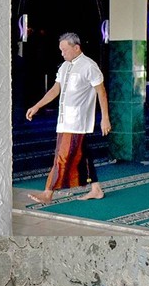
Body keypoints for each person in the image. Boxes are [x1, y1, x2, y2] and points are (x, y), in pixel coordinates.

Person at [26, 32, 111, 203]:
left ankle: (48, 192)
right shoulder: (64, 67)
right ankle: (96, 189)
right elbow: (55, 90)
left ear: (76, 47)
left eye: (65, 50)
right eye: (61, 50)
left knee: (62, 156)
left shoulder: (89, 66)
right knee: (84, 154)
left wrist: (105, 118)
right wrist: (37, 106)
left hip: (77, 122)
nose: (62, 53)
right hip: (64, 121)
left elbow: (101, 92)